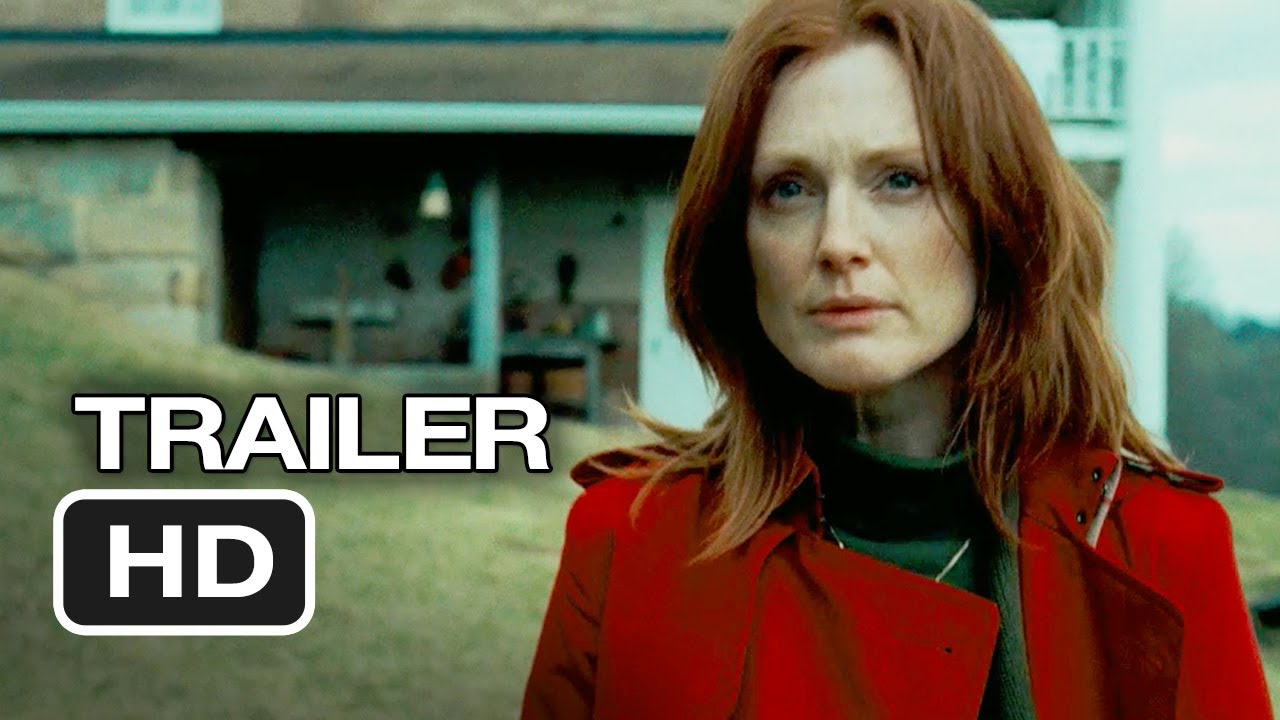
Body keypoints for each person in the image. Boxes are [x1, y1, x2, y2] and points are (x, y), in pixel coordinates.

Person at [520, 0, 1274, 717]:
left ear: (998, 214)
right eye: (788, 189)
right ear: (735, 239)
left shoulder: (1162, 549)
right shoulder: (627, 543)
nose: (838, 242)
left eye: (901, 180)